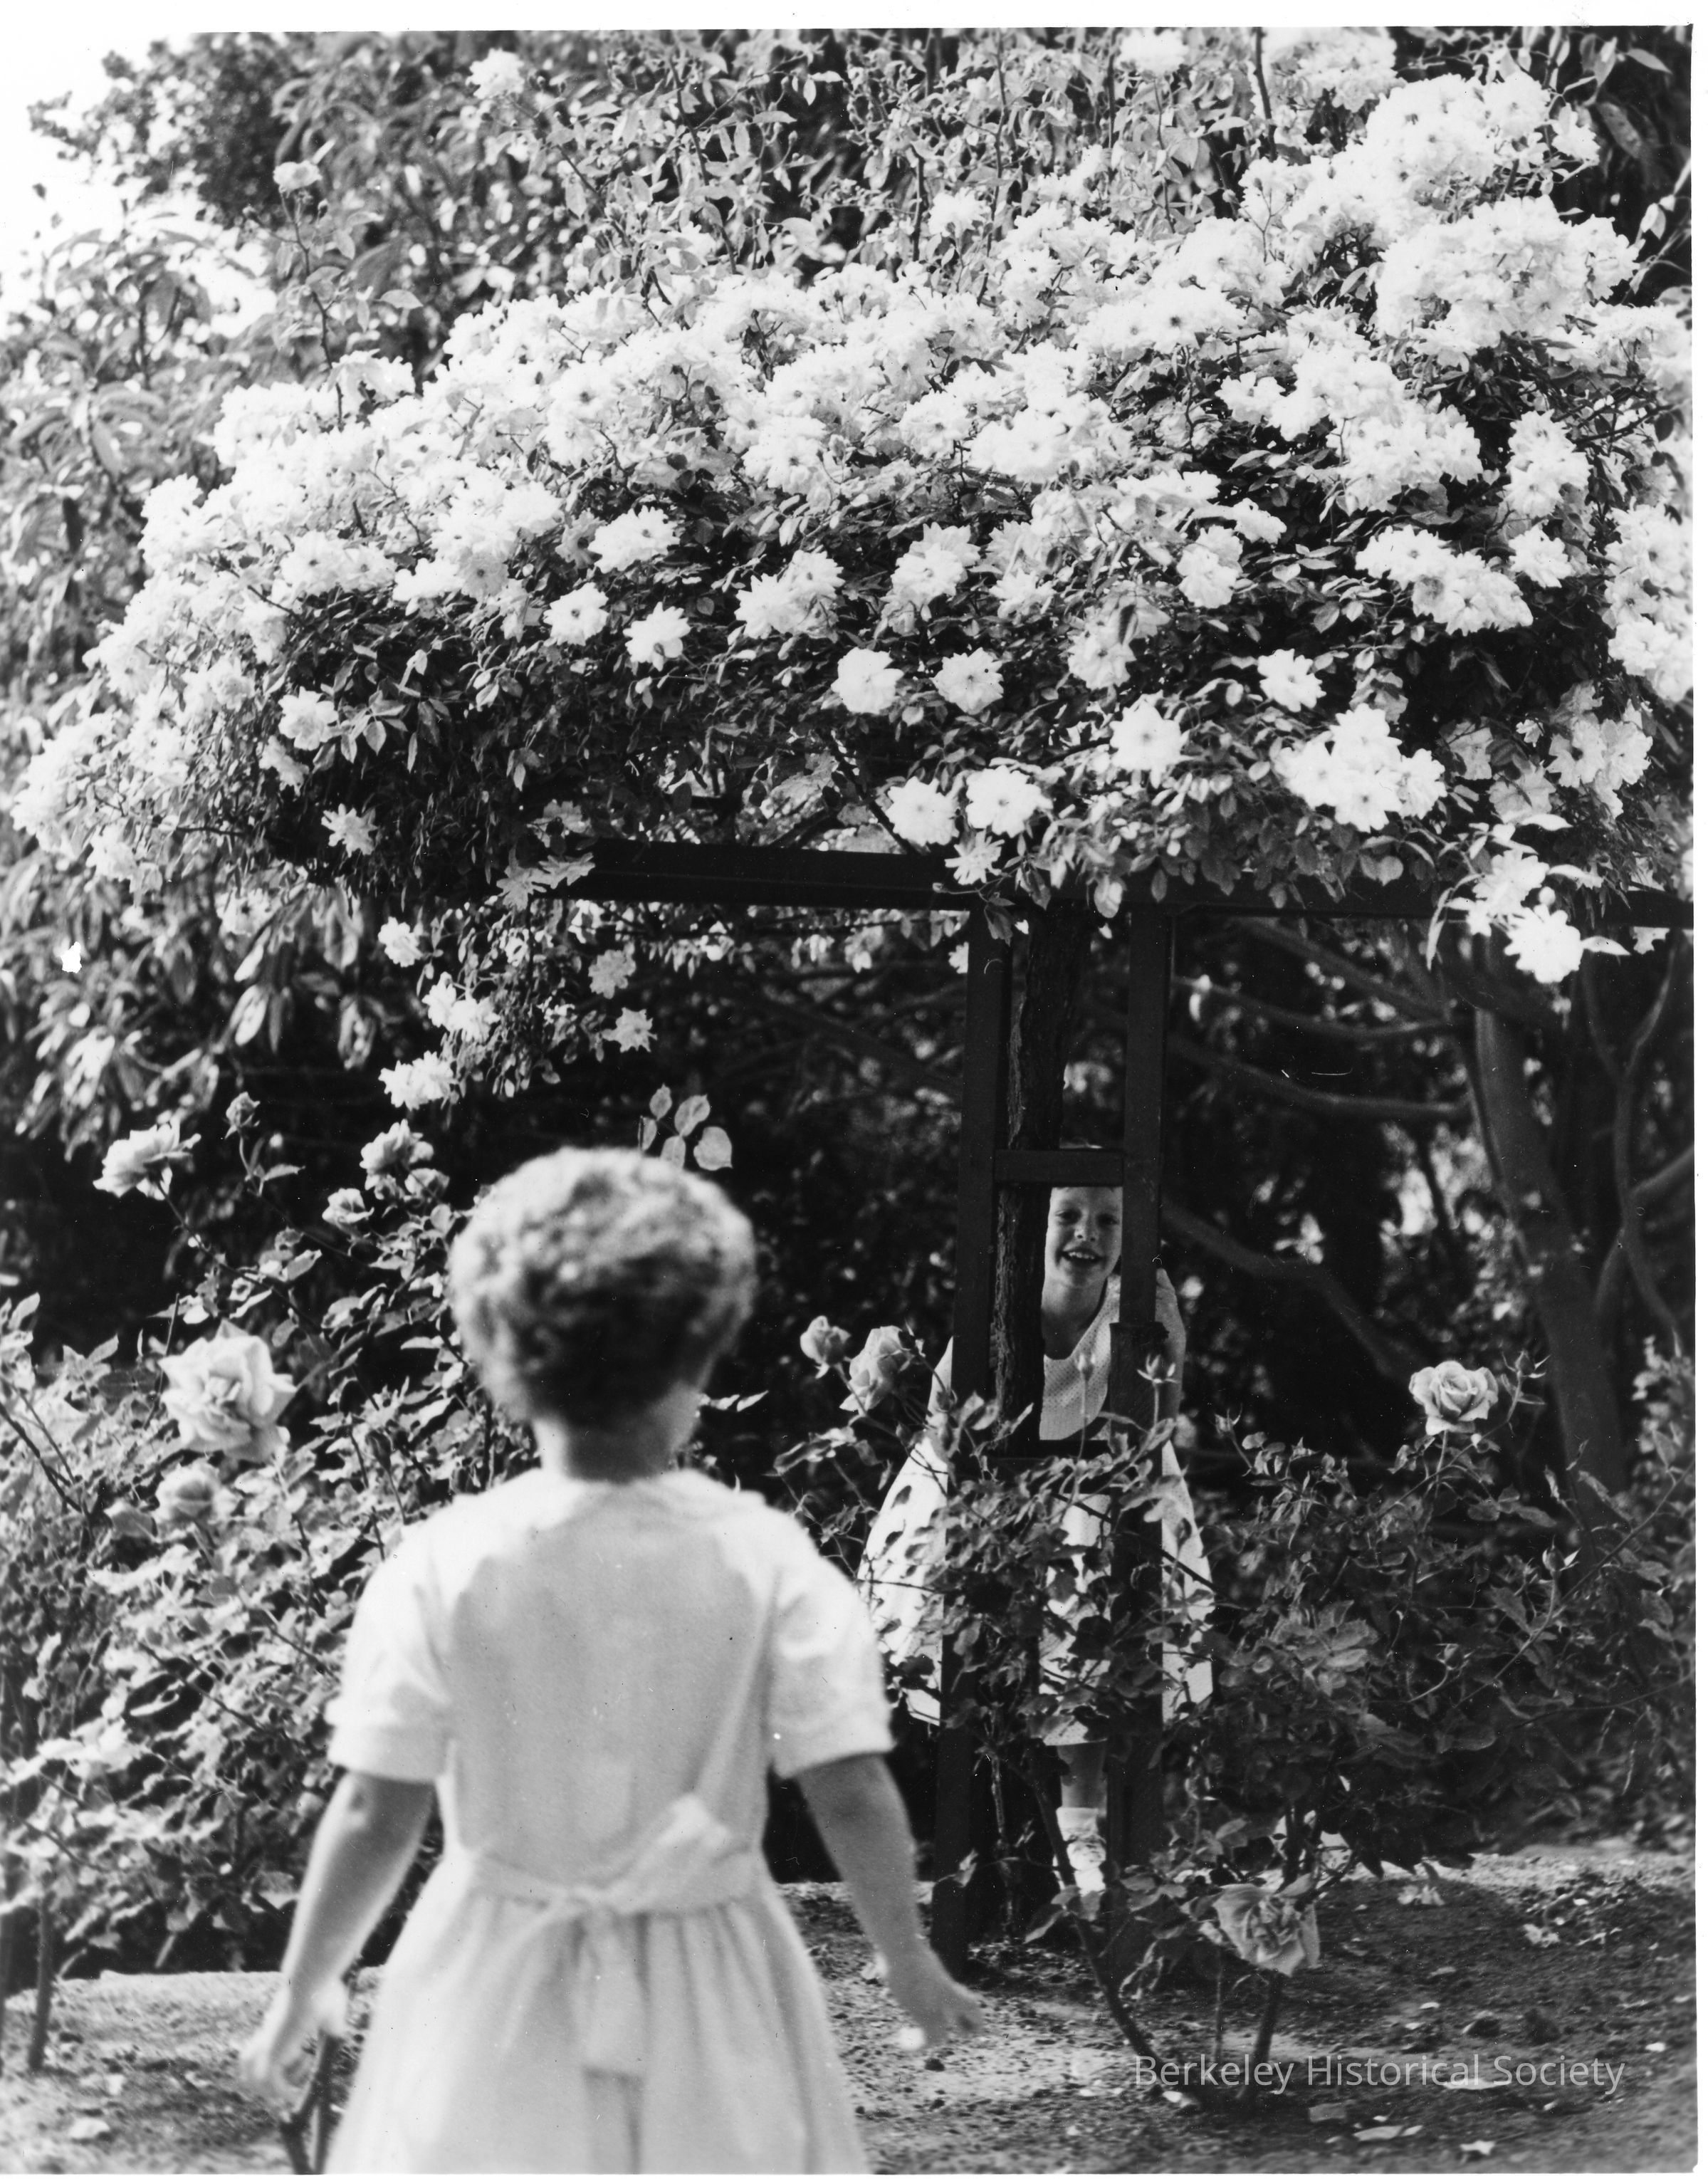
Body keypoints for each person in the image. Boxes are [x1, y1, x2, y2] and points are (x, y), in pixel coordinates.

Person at [237, 1147, 981, 2173]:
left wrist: (302, 1987)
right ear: (695, 1361)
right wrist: (905, 1959)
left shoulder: (445, 1565)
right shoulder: (762, 1559)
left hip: (494, 1978)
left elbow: (374, 1810)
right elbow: (848, 1786)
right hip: (709, 1977)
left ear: (506, 1362)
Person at [858, 1183, 1212, 1898]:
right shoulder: (1002, 1308)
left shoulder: (1128, 1317)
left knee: (1095, 1611)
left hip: (1094, 1490)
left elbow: (1153, 1432)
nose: (1086, 1234)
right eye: (1068, 1217)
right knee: (975, 1649)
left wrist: (1172, 1345)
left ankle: (1081, 1825)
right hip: (996, 1491)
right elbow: (944, 1430)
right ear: (1040, 1229)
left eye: (1107, 1221)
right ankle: (986, 1829)